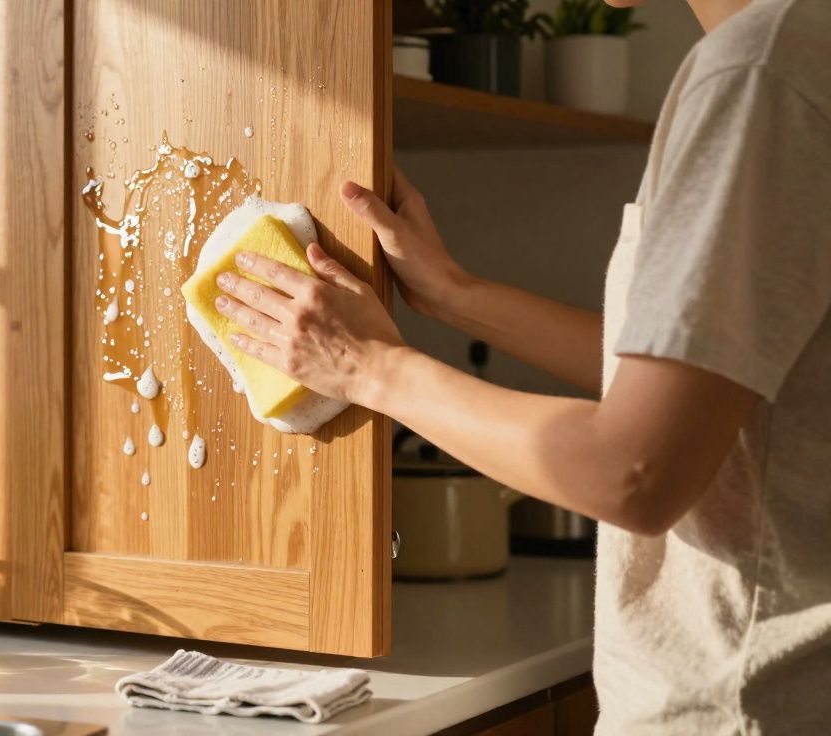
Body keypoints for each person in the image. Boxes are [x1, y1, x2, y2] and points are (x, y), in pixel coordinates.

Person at [211, 0, 830, 731]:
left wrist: (367, 368)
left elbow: (634, 470)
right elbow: (711, 383)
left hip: (738, 705)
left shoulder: (760, 70)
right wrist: (457, 296)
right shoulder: (801, 50)